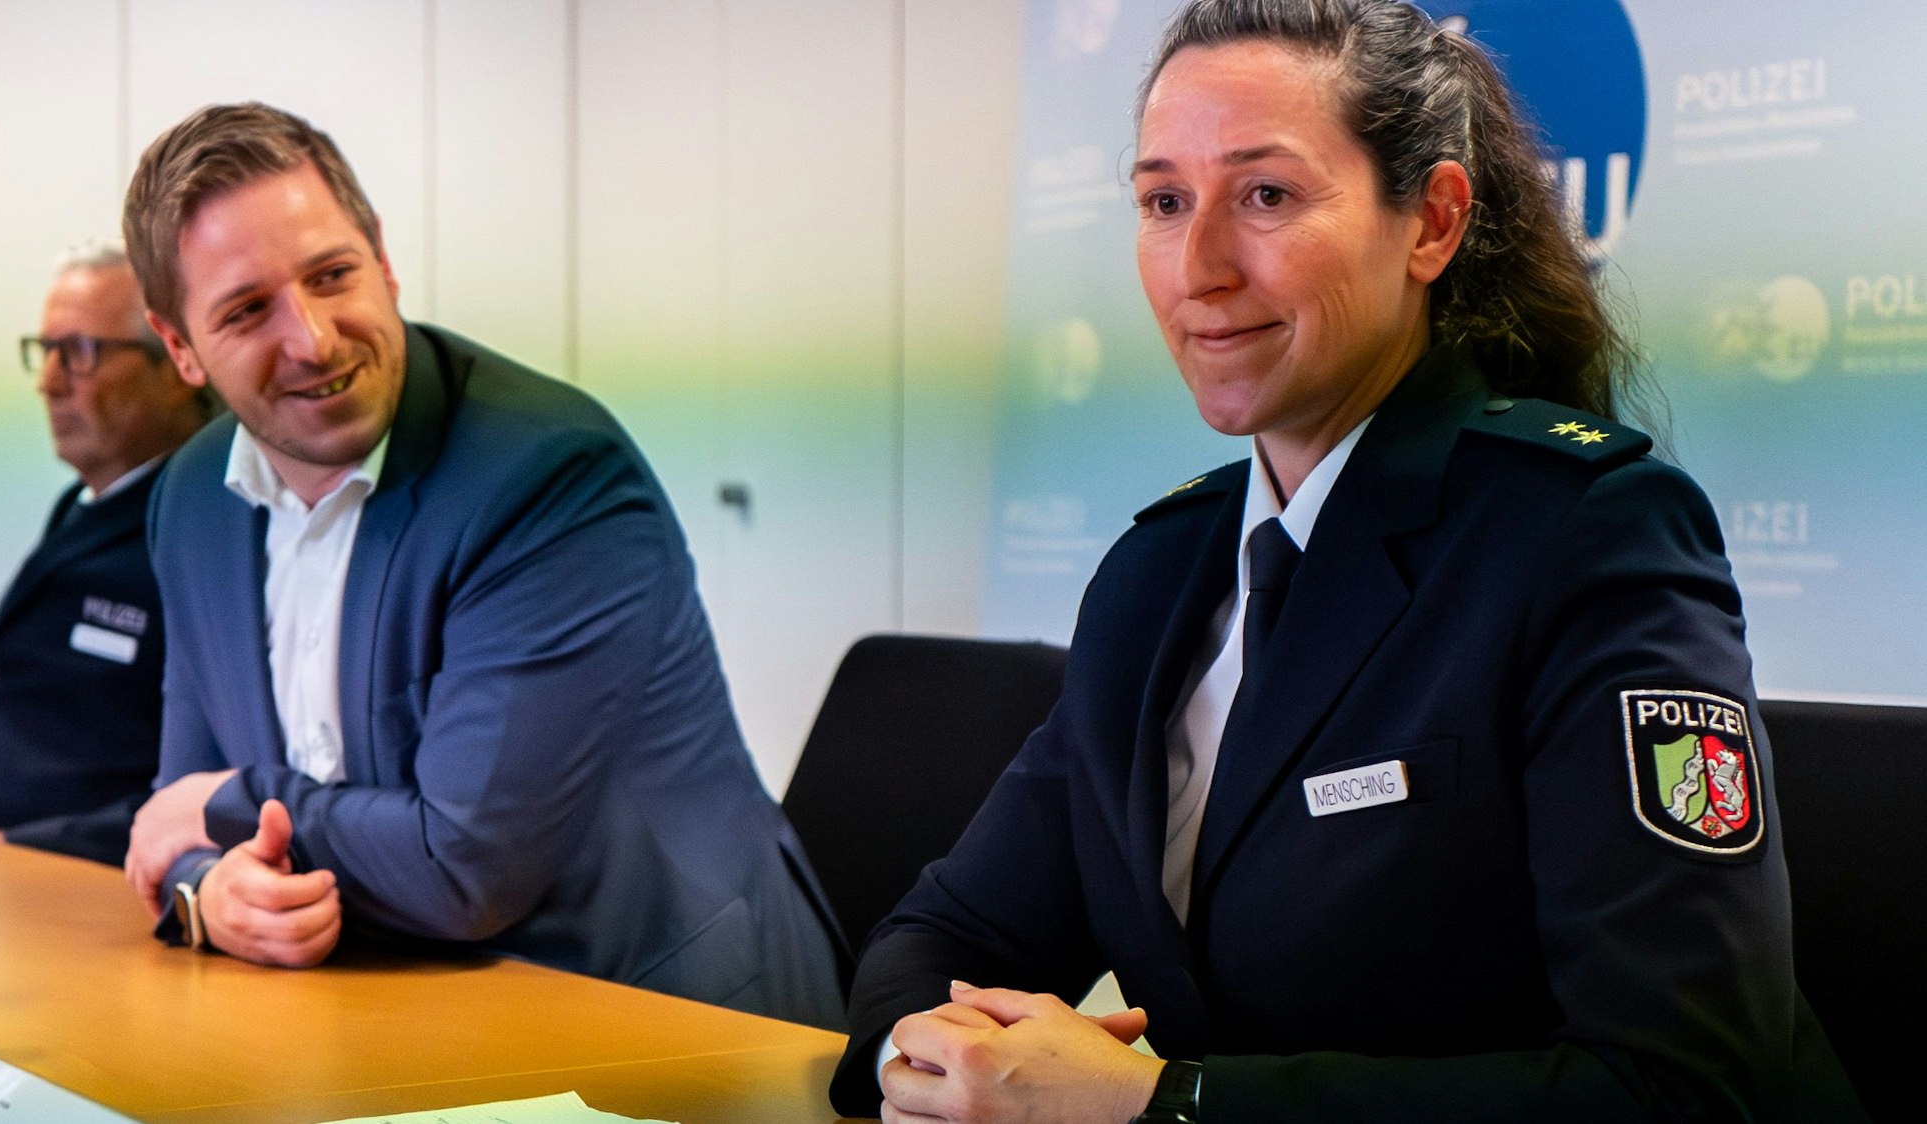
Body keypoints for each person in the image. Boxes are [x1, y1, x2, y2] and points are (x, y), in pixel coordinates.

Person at [831, 1, 1862, 1120]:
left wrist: (1157, 1103)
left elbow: (1684, 1086)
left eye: (1266, 195)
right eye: (1164, 200)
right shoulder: (1156, 575)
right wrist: (919, 1055)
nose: (1199, 265)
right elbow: (942, 936)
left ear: (1431, 224)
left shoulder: (1586, 534)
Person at [117, 102, 845, 1029]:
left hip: (652, 1020)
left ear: (381, 256)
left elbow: (463, 868)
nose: (312, 338)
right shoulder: (192, 502)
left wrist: (229, 808)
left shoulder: (546, 479)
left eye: (332, 274)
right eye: (247, 310)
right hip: (383, 1010)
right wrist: (214, 890)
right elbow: (180, 808)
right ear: (179, 345)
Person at [0, 243, 206, 865]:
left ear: (179, 364)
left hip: (52, 880)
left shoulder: (205, 534)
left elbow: (207, 781)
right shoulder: (84, 504)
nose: (49, 382)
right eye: (46, 351)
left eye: (81, 353)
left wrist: (22, 849)